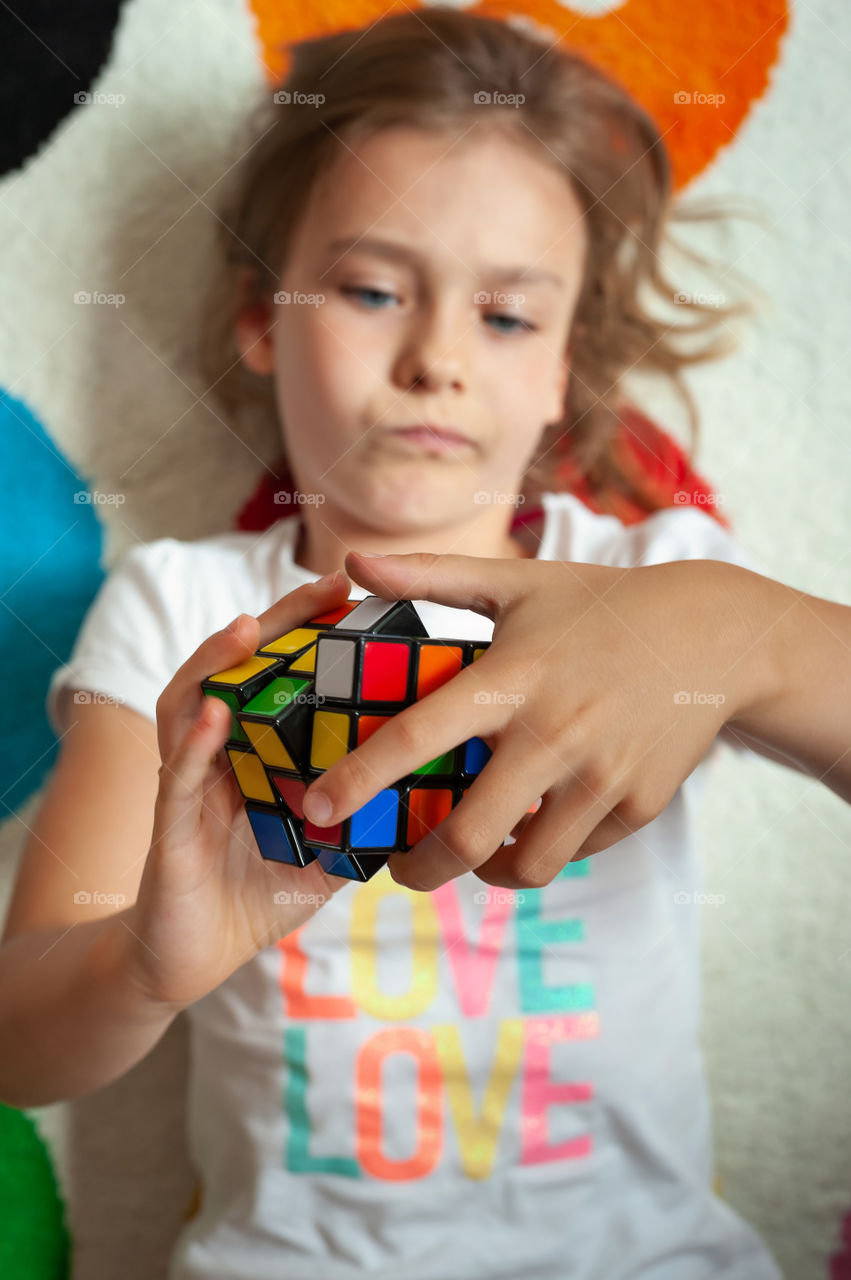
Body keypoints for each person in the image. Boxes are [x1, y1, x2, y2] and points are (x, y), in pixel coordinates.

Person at [1, 8, 848, 1278]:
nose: (436, 357)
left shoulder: (645, 581)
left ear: (565, 366)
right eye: (370, 288)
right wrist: (140, 963)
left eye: (507, 317)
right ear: (261, 319)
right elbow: (19, 1038)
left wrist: (754, 632)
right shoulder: (185, 614)